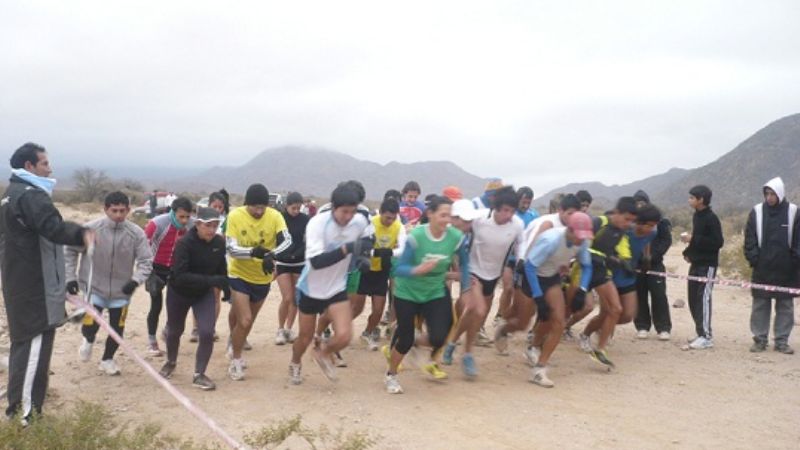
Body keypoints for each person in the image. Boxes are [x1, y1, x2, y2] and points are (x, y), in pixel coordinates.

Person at [1, 143, 93, 423]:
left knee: (25, 348)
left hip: (21, 283)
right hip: (34, 289)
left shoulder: (12, 194)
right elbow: (52, 227)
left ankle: (26, 409)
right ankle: (24, 419)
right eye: (44, 163)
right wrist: (83, 234)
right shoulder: (30, 196)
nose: (49, 169)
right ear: (29, 166)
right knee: (32, 351)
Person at [385, 196, 471, 394]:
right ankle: (391, 374)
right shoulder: (417, 237)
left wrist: (466, 288)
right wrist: (418, 270)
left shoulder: (456, 238)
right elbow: (400, 269)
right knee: (404, 340)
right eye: (442, 215)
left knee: (440, 336)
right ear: (430, 214)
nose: (446, 219)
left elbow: (465, 263)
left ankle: (415, 341)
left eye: (449, 215)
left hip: (434, 290)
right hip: (408, 292)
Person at [289, 183, 372, 385]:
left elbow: (369, 239)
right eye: (344, 211)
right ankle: (295, 361)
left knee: (345, 336)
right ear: (334, 207)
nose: (348, 217)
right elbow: (316, 262)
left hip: (336, 287)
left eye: (352, 212)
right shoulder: (317, 224)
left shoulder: (359, 220)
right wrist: (347, 249)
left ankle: (323, 353)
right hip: (311, 288)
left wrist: (362, 256)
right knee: (305, 337)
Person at [65, 191, 153, 376]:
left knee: (117, 329)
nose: (119, 215)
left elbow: (146, 261)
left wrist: (135, 280)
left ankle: (107, 359)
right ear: (106, 209)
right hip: (94, 288)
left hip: (122, 292)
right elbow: (70, 251)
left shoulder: (136, 233)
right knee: (90, 325)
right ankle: (88, 340)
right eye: (114, 211)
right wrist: (70, 278)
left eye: (123, 211)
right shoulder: (90, 229)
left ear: (129, 210)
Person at [446, 187, 524, 376]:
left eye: (512, 211)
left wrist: (521, 261)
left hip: (493, 275)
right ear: (495, 207)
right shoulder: (480, 219)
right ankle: (468, 355)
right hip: (473, 270)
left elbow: (520, 246)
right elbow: (457, 228)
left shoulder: (517, 225)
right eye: (505, 210)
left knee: (477, 316)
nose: (508, 215)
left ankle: (452, 342)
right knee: (477, 310)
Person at [513, 212, 594, 387]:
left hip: (551, 278)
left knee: (558, 321)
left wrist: (583, 289)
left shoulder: (582, 242)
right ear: (570, 230)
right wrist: (538, 297)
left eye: (584, 237)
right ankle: (510, 333)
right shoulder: (551, 240)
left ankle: (539, 368)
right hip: (532, 277)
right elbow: (530, 266)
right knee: (523, 322)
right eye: (579, 236)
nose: (582, 241)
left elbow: (587, 266)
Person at [225, 183, 292, 380]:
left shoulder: (275, 216)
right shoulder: (235, 216)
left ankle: (234, 338)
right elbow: (231, 248)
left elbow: (287, 241)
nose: (259, 211)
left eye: (262, 207)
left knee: (247, 321)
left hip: (262, 277)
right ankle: (236, 360)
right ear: (247, 204)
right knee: (244, 319)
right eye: (255, 207)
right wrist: (253, 252)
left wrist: (272, 255)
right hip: (239, 274)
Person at [159, 207, 229, 391]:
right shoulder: (184, 243)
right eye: (207, 226)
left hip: (203, 294)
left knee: (206, 332)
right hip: (179, 292)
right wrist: (211, 280)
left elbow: (221, 268)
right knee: (175, 330)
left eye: (215, 226)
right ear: (197, 224)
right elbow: (180, 276)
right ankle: (171, 361)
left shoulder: (219, 243)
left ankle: (199, 374)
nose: (212, 230)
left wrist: (225, 288)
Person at [502, 194, 581, 353]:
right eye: (570, 213)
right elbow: (531, 251)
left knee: (554, 315)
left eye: (576, 213)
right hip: (528, 267)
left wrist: (563, 265)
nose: (573, 217)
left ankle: (535, 347)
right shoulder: (548, 224)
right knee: (523, 319)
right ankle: (504, 328)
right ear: (560, 210)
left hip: (550, 274)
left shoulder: (575, 229)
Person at [576, 197, 638, 368]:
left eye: (632, 221)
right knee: (577, 307)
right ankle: (542, 336)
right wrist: (595, 255)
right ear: (616, 213)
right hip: (582, 270)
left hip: (601, 273)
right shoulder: (598, 222)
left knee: (616, 309)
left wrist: (622, 261)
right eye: (626, 219)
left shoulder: (622, 232)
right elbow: (580, 245)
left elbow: (618, 253)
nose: (629, 224)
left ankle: (600, 350)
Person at [744, 177, 799, 354]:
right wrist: (754, 259)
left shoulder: (794, 212)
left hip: (787, 270)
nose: (769, 197)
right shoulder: (757, 212)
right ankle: (760, 340)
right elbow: (749, 239)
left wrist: (794, 262)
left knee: (785, 306)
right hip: (762, 268)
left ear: (780, 193)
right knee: (760, 305)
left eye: (773, 194)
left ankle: (782, 341)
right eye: (767, 193)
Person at [352, 198, 406, 351]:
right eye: (387, 217)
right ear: (380, 213)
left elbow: (402, 249)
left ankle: (367, 333)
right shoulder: (370, 223)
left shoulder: (399, 226)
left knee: (378, 310)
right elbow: (359, 245)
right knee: (356, 307)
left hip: (382, 271)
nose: (390, 221)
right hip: (364, 270)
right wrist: (374, 252)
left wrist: (387, 252)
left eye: (393, 217)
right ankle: (338, 329)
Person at [144, 196, 193, 356]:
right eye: (181, 216)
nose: (185, 220)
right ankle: (152, 341)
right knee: (156, 305)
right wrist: (147, 271)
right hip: (155, 268)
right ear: (173, 212)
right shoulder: (157, 224)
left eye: (188, 216)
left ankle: (167, 330)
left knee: (176, 305)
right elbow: (143, 247)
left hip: (175, 269)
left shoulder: (192, 226)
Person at [680, 185, 724, 350]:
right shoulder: (696, 216)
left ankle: (706, 336)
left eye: (692, 197)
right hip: (696, 264)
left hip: (708, 265)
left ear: (701, 200)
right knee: (693, 299)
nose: (689, 200)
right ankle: (700, 332)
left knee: (703, 298)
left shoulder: (712, 218)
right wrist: (688, 252)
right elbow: (698, 240)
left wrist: (693, 239)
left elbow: (717, 242)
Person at [632, 191, 673, 340]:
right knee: (639, 295)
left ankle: (663, 328)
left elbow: (666, 240)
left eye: (643, 203)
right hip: (637, 265)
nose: (640, 206)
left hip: (655, 265)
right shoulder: (632, 222)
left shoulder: (660, 221)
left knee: (659, 295)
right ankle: (642, 326)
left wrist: (654, 256)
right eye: (637, 204)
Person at [190, 190, 229, 343]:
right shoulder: (201, 220)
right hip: (201, 261)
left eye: (221, 207)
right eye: (215, 206)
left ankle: (210, 327)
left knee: (215, 296)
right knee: (198, 294)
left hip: (217, 261)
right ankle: (195, 327)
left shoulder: (226, 221)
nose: (218, 209)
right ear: (209, 205)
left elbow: (226, 240)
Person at [496, 186, 539, 322]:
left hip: (525, 260)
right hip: (508, 258)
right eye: (523, 202)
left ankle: (509, 316)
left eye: (528, 202)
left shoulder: (534, 216)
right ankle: (500, 317)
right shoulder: (510, 215)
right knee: (508, 289)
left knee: (519, 293)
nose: (526, 205)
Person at [274, 192, 310, 345]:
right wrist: (283, 255)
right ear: (286, 206)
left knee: (295, 299)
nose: (296, 211)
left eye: (299, 208)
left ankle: (289, 329)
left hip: (299, 263)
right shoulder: (279, 218)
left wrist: (298, 254)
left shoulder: (305, 220)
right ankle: (280, 329)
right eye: (293, 208)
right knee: (287, 297)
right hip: (283, 262)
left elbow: (307, 240)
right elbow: (277, 239)